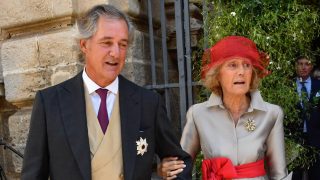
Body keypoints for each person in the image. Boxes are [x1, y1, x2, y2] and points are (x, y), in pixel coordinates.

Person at [21, 4, 192, 180]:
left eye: (122, 44)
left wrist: (170, 172)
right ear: (84, 45)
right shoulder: (50, 103)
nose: (116, 53)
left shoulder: (148, 102)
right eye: (107, 42)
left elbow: (180, 163)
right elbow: (32, 175)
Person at [158, 36, 291, 180]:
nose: (241, 71)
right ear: (217, 74)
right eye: (233, 65)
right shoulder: (198, 114)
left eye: (246, 65)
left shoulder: (272, 114)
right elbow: (180, 167)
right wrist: (165, 169)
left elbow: (279, 174)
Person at [292, 56, 320, 180]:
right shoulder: (287, 86)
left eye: (307, 64)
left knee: (316, 173)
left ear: (311, 66)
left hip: (316, 136)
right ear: (295, 66)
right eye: (300, 63)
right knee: (294, 173)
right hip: (294, 137)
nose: (303, 67)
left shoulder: (319, 85)